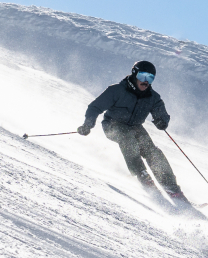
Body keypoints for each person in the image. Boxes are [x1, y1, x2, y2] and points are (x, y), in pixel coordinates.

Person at [79, 61, 191, 208]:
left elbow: (161, 112)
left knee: (152, 151)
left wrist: (161, 121)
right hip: (113, 125)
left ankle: (171, 187)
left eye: (150, 78)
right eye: (143, 76)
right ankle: (143, 175)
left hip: (135, 127)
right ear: (134, 74)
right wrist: (88, 124)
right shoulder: (116, 90)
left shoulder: (152, 97)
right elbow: (95, 107)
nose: (146, 81)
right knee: (127, 139)